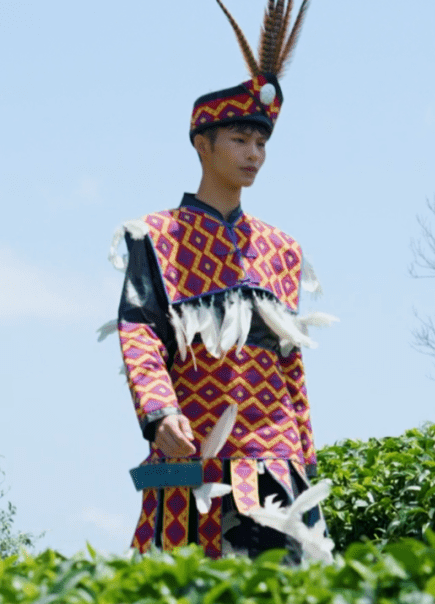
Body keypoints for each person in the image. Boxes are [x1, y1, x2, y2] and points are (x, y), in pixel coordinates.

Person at [108, 0, 332, 561]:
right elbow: (139, 332)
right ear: (202, 144)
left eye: (262, 144)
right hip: (194, 455)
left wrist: (305, 455)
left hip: (277, 462)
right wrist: (159, 412)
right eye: (240, 141)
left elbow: (291, 364)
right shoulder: (154, 237)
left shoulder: (284, 249)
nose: (254, 154)